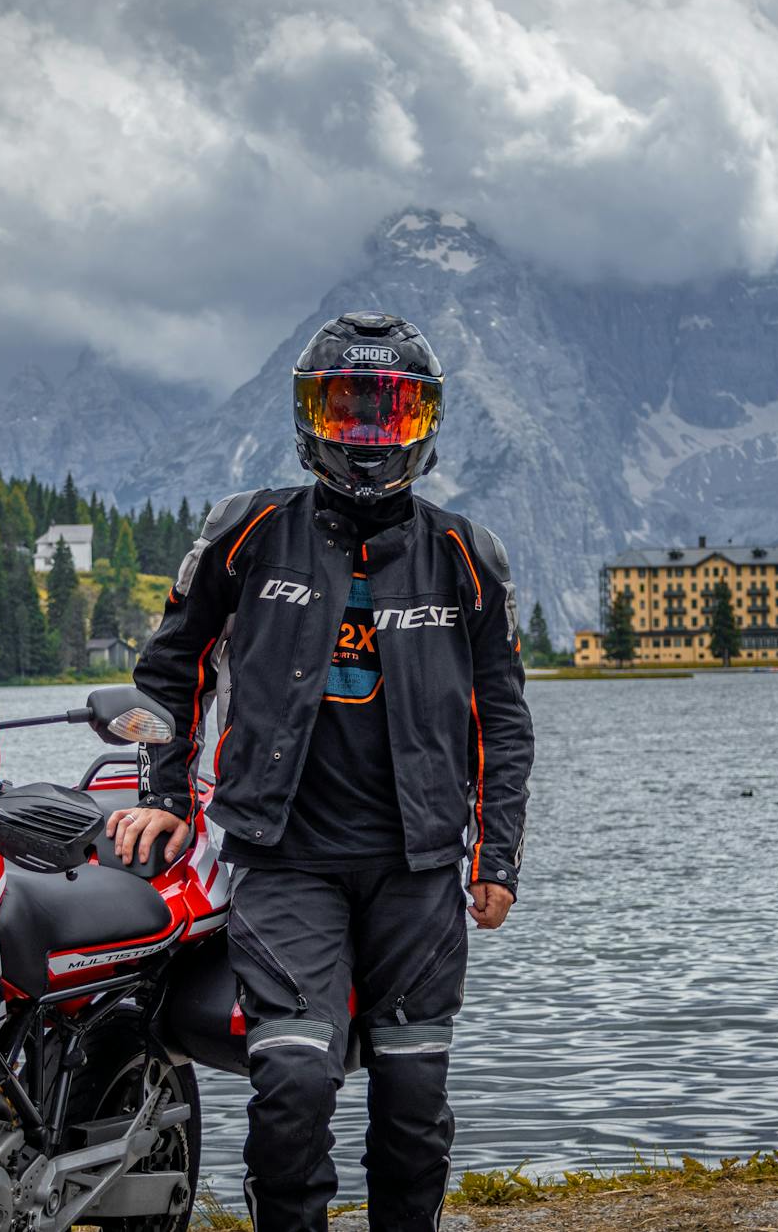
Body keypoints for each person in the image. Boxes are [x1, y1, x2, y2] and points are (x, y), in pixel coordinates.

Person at [107, 310, 533, 1231]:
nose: (368, 432)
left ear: (423, 421)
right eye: (349, 409)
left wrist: (495, 855)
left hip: (418, 870)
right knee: (293, 1080)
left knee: (413, 1109)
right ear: (313, 416)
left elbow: (502, 715)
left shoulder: (467, 556)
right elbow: (168, 669)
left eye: (389, 412)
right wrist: (166, 795)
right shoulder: (246, 532)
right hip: (284, 855)